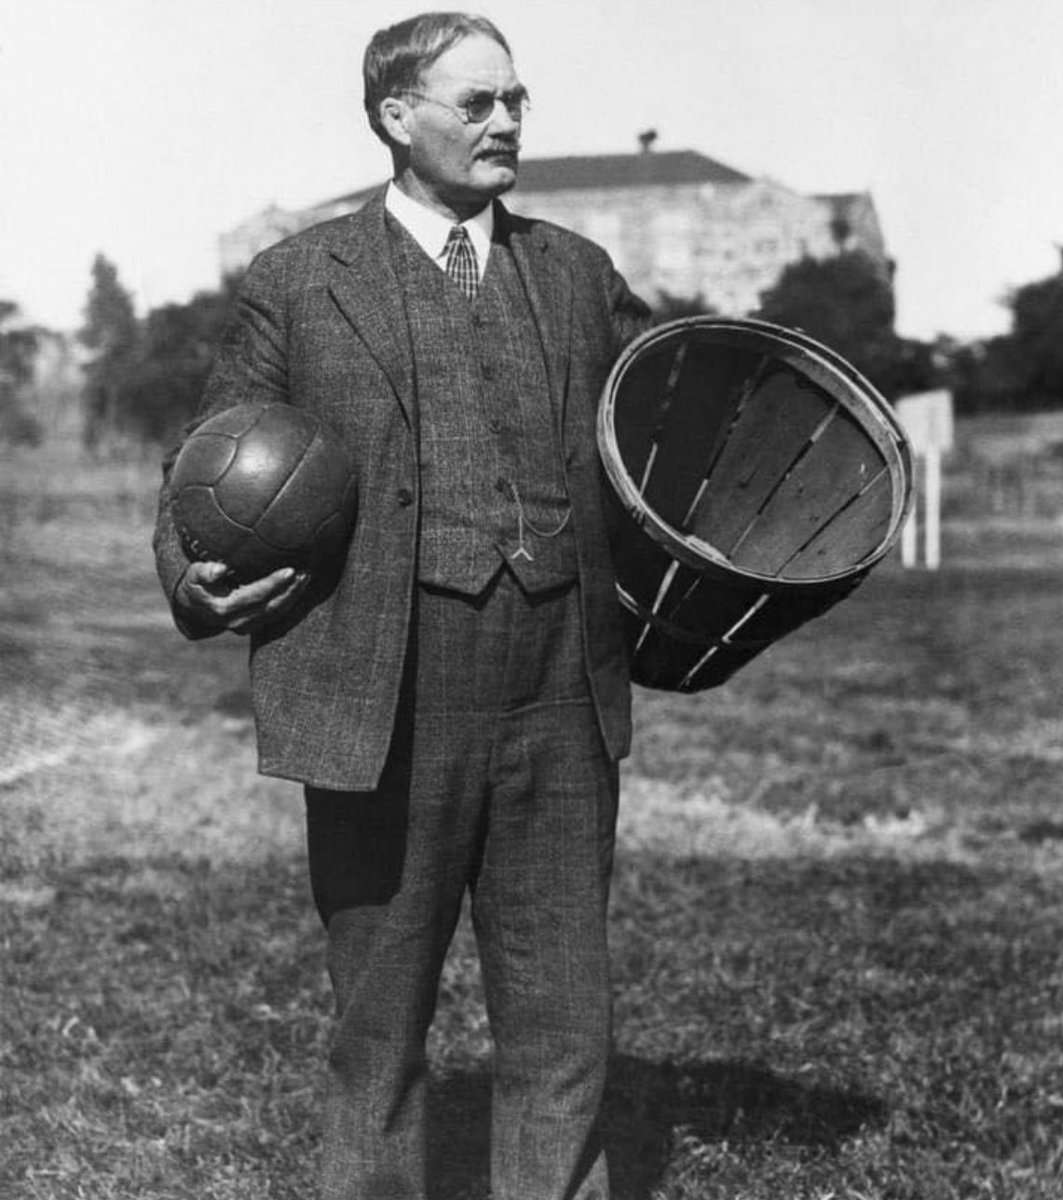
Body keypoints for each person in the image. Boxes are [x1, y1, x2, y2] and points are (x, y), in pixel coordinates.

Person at [153, 11, 650, 1199]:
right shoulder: (299, 281)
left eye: (516, 100)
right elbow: (206, 459)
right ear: (395, 116)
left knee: (565, 1026)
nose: (506, 122)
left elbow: (664, 430)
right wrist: (191, 579)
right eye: (476, 103)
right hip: (382, 695)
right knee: (377, 1032)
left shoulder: (578, 275)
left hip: (559, 695)